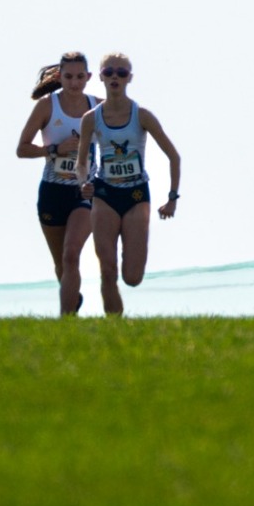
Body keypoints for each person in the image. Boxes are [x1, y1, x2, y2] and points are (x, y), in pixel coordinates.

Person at [74, 53, 182, 316]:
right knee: (107, 269)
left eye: (121, 73)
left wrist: (172, 198)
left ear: (129, 79)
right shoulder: (91, 118)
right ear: (100, 76)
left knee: (132, 277)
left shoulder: (142, 115)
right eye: (109, 72)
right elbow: (81, 162)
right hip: (104, 193)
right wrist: (84, 183)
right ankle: (115, 328)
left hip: (136, 195)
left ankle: (133, 263)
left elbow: (174, 156)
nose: (114, 77)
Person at [17, 53, 99, 316]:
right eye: (68, 77)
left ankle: (66, 319)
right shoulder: (46, 106)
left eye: (79, 77)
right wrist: (54, 149)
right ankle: (72, 300)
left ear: (88, 77)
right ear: (59, 77)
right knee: (61, 263)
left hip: (84, 192)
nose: (74, 83)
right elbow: (22, 149)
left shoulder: (98, 106)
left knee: (71, 253)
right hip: (52, 192)